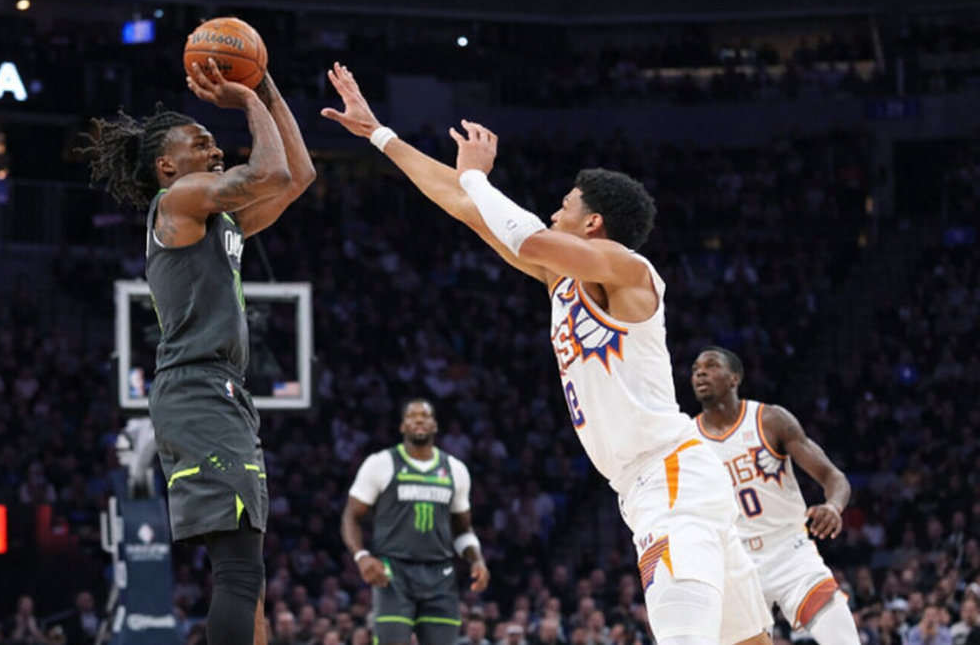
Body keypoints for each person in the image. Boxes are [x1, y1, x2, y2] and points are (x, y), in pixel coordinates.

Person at [322, 62, 771, 645]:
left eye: (564, 206)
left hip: (670, 477)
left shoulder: (629, 269)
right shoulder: (561, 280)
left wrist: (477, 175)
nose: (555, 213)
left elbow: (525, 233)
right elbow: (463, 204)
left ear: (593, 223)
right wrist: (379, 133)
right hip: (654, 484)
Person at [82, 57, 315, 645]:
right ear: (168, 165)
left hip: (218, 393)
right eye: (202, 143)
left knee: (246, 568)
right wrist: (245, 100)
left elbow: (296, 176)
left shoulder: (217, 222)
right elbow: (266, 171)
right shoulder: (179, 199)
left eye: (214, 142)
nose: (216, 150)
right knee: (238, 571)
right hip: (198, 389)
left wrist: (264, 83)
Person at [691, 347, 859, 644]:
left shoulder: (769, 420)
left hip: (789, 549)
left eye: (711, 365)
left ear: (734, 378)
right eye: (695, 369)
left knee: (843, 639)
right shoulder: (688, 440)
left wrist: (833, 506)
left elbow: (834, 477)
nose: (700, 372)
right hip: (736, 561)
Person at [342, 400, 489, 645]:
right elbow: (351, 516)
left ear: (435, 425)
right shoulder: (380, 463)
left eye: (425, 415)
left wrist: (477, 560)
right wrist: (361, 556)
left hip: (440, 573)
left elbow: (462, 529)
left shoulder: (456, 469)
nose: (419, 419)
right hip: (394, 572)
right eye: (412, 416)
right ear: (402, 426)